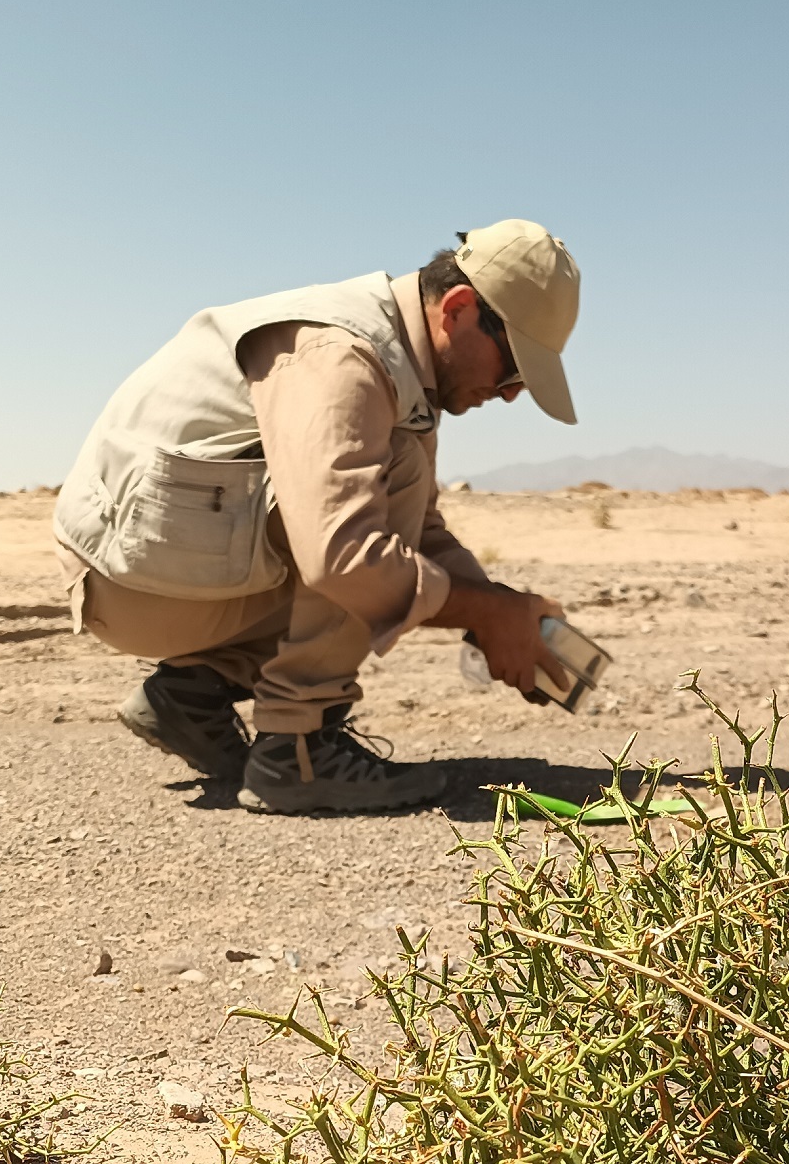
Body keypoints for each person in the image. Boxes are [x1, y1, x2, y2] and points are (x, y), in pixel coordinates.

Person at [52, 219, 580, 813]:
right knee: (367, 519)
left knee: (379, 511)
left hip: (157, 562)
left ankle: (190, 693)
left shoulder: (400, 366)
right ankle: (295, 752)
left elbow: (420, 533)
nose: (511, 392)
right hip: (131, 578)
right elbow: (343, 554)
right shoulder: (346, 355)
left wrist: (498, 613)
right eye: (512, 365)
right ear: (457, 309)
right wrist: (486, 609)